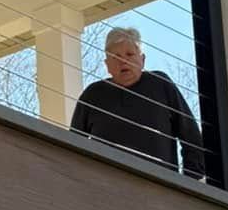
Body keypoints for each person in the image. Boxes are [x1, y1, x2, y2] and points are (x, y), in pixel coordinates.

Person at [70, 24, 205, 175]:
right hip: (107, 187)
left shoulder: (160, 85)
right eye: (116, 57)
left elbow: (191, 137)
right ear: (107, 65)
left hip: (159, 186)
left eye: (130, 54)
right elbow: (72, 147)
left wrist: (189, 183)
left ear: (142, 59)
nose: (123, 62)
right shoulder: (93, 95)